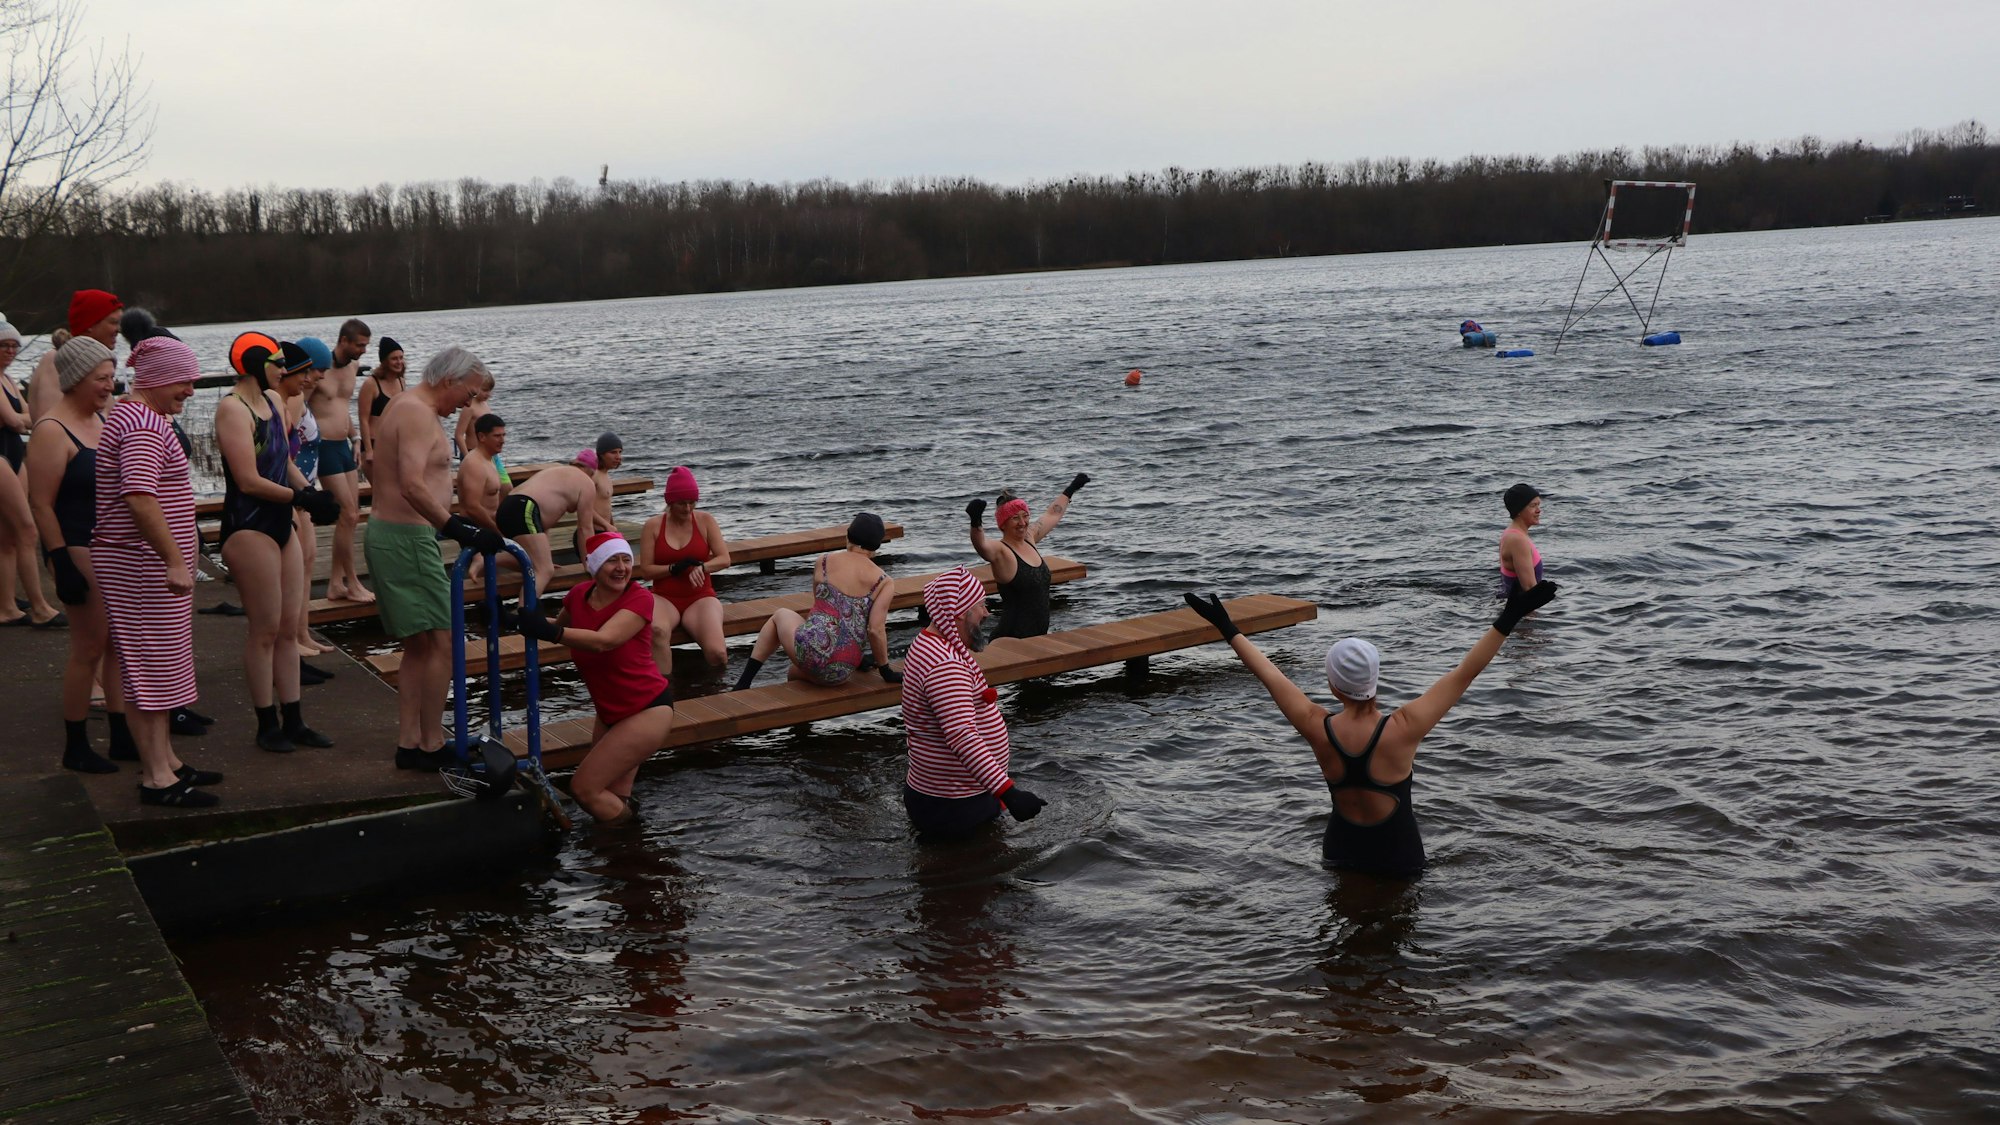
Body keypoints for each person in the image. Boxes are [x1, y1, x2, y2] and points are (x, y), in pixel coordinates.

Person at [1179, 580, 1559, 878]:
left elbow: (1269, 674)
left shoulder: (1316, 726)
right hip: (1398, 856)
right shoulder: (1405, 727)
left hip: (1341, 851)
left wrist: (1227, 628)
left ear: (1332, 685)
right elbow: (1465, 673)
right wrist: (1510, 617)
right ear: (1376, 681)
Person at [94, 334, 224, 807]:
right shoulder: (143, 427)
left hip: (140, 563)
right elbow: (140, 497)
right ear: (159, 378)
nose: (189, 391)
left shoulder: (138, 415)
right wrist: (173, 558)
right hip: (140, 564)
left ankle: (167, 760)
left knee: (161, 666)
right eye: (183, 382)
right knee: (150, 668)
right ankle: (156, 779)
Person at [366, 344, 496, 770]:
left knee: (420, 647)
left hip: (398, 535)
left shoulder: (405, 406)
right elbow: (412, 484)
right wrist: (455, 527)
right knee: (443, 644)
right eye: (470, 392)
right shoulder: (418, 413)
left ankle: (414, 743)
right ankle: (431, 744)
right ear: (448, 380)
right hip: (408, 539)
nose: (470, 402)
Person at [214, 339, 340, 753]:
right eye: (279, 363)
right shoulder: (233, 408)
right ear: (255, 363)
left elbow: (284, 459)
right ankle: (265, 723)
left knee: (288, 628)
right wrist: (299, 499)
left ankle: (295, 719)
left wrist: (311, 492)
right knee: (265, 629)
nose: (285, 370)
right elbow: (248, 479)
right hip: (248, 526)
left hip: (280, 521)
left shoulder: (272, 399)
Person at [511, 532, 672, 823]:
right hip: (609, 712)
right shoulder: (578, 595)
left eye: (626, 560)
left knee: (584, 789)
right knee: (609, 795)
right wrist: (512, 619)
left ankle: (633, 833)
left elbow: (604, 640)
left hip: (646, 709)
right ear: (593, 565)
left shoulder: (639, 598)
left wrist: (551, 632)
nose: (622, 568)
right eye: (612, 560)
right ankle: (626, 849)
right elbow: (558, 628)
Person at [30, 336, 132, 772]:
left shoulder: (103, 418)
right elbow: (40, 503)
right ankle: (75, 745)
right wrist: (60, 560)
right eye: (102, 378)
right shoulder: (52, 430)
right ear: (75, 380)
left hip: (110, 545)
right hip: (77, 545)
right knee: (89, 647)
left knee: (117, 646)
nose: (110, 386)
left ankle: (122, 733)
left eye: (112, 377)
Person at [899, 567, 1045, 840]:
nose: (987, 613)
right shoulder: (945, 666)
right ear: (959, 613)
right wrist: (1009, 793)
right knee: (979, 879)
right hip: (953, 804)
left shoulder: (928, 643)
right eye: (980, 605)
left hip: (947, 796)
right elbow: (962, 736)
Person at [735, 512, 898, 690]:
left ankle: (744, 682)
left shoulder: (824, 562)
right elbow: (875, 630)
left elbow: (819, 609)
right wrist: (885, 670)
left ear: (848, 536)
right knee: (794, 673)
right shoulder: (884, 581)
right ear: (876, 546)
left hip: (811, 652)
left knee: (780, 615)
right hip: (843, 669)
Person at [965, 472, 1089, 640]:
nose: (1022, 523)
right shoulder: (1002, 551)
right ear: (1003, 524)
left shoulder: (1029, 537)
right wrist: (976, 521)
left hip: (1036, 638)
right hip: (1011, 640)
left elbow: (1052, 514)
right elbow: (981, 545)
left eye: (1025, 516)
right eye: (1015, 518)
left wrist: (1071, 490)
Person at [0, 317, 63, 627]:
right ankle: (39, 606)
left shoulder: (8, 380)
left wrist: (22, 418)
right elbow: (15, 420)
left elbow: (28, 414)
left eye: (14, 345)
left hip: (13, 451)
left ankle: (7, 605)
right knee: (27, 529)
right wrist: (22, 418)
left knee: (9, 535)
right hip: (1, 453)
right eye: (4, 345)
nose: (11, 350)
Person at [634, 466, 730, 669]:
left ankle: (720, 693)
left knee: (718, 653)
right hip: (664, 597)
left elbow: (724, 559)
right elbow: (646, 571)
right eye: (681, 504)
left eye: (691, 503)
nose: (687, 509)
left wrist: (703, 567)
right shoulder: (652, 526)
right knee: (657, 631)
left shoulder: (705, 521)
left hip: (700, 597)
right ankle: (665, 690)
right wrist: (672, 569)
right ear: (669, 502)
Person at [310, 318, 371, 603]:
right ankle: (353, 582)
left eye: (366, 345)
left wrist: (356, 437)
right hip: (322, 447)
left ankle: (336, 583)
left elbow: (342, 407)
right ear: (344, 341)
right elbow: (299, 407)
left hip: (344, 445)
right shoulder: (319, 369)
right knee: (347, 514)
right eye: (359, 345)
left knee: (352, 516)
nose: (363, 350)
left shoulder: (354, 367)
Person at [286, 337, 338, 662]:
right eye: (316, 370)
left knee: (307, 563)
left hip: (307, 490)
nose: (319, 377)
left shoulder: (303, 399)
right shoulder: (292, 402)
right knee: (297, 567)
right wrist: (307, 491)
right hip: (297, 492)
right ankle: (292, 637)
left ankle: (302, 633)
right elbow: (285, 450)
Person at [492, 458, 603, 603]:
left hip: (507, 508)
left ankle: (488, 558)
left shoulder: (558, 474)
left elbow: (543, 523)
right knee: (545, 570)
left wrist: (545, 558)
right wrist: (589, 564)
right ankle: (525, 615)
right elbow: (585, 529)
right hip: (525, 508)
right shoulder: (587, 483)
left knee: (536, 563)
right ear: (591, 471)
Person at [30, 289, 120, 420]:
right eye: (113, 322)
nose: (118, 329)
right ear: (90, 324)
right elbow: (50, 423)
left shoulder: (95, 365)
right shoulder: (57, 360)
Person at [355, 335, 403, 480]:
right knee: (381, 492)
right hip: (374, 443)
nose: (399, 362)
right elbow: (363, 419)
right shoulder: (371, 384)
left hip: (393, 444)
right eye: (394, 358)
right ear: (384, 361)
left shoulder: (401, 381)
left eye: (401, 357)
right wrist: (369, 450)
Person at [1498, 483, 1544, 598]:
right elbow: (1529, 589)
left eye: (1538, 505)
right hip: (1520, 612)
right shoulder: (1517, 540)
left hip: (1511, 606)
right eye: (1533, 506)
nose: (1539, 510)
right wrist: (1535, 616)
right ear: (1519, 510)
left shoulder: (1511, 533)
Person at [452, 383, 492, 457]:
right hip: (471, 451)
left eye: (490, 390)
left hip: (486, 451)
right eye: (485, 390)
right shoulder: (469, 407)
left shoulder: (485, 405)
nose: (488, 394)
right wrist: (467, 456)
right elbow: (459, 435)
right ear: (476, 388)